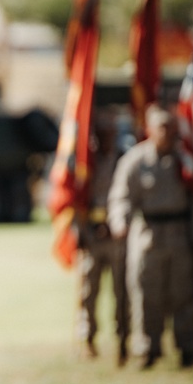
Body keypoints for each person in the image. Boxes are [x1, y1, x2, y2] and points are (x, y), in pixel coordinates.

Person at [107, 104, 193, 369]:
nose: (168, 133)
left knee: (183, 294)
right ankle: (147, 348)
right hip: (147, 235)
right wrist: (119, 221)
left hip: (179, 235)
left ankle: (187, 348)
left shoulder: (185, 160)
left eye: (172, 128)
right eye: (162, 127)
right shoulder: (135, 160)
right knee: (146, 294)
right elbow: (120, 197)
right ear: (150, 129)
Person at [75, 108, 129, 365]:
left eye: (111, 133)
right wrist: (82, 231)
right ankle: (88, 339)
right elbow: (77, 199)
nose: (106, 137)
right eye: (101, 133)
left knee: (121, 292)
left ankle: (123, 340)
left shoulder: (123, 159)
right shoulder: (87, 163)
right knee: (89, 291)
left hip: (117, 235)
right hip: (92, 236)